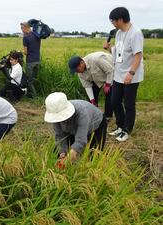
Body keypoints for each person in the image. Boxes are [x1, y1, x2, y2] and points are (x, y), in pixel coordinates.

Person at [103, 7, 144, 142]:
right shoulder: (119, 33)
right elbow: (119, 52)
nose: (112, 24)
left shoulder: (135, 33)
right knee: (115, 101)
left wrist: (131, 73)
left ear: (120, 19)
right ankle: (120, 126)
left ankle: (127, 130)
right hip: (118, 74)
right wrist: (109, 48)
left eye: (113, 21)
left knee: (129, 103)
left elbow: (138, 56)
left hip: (131, 75)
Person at [44, 92, 107, 166]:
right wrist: (62, 153)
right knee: (57, 152)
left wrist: (70, 157)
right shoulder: (55, 114)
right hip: (72, 129)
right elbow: (60, 136)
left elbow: (81, 140)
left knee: (93, 157)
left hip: (96, 126)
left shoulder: (82, 113)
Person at [68, 52, 114, 119]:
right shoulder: (79, 72)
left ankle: (108, 116)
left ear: (81, 63)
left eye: (77, 69)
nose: (77, 72)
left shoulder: (96, 60)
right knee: (92, 100)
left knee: (109, 94)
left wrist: (107, 84)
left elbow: (110, 70)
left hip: (111, 72)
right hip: (95, 78)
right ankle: (94, 115)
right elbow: (87, 86)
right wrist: (92, 100)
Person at [20, 21, 41, 98]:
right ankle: (31, 94)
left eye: (22, 28)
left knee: (29, 80)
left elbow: (25, 52)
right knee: (33, 79)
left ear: (26, 27)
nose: (21, 30)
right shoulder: (37, 35)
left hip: (30, 61)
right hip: (37, 60)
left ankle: (34, 97)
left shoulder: (25, 38)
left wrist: (21, 52)